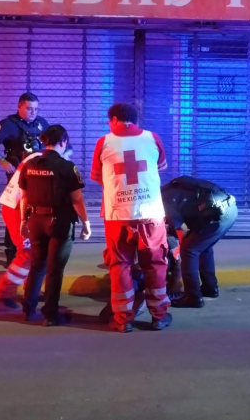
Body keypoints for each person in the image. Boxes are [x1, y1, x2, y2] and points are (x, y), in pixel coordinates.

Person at [90, 103, 172, 333]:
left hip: (118, 215)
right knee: (155, 264)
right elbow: (159, 168)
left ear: (115, 119)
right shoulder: (152, 138)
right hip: (150, 214)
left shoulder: (104, 142)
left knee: (120, 266)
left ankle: (122, 319)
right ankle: (159, 317)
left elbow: (98, 177)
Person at [18, 125, 91, 326]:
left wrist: (23, 221)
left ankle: (28, 309)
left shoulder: (29, 164)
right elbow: (77, 199)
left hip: (35, 220)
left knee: (37, 266)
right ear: (63, 141)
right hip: (59, 222)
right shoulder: (67, 167)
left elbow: (24, 197)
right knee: (54, 270)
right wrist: (86, 223)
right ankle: (51, 315)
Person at [0, 146, 73, 309]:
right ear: (61, 147)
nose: (67, 161)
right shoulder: (41, 162)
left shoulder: (38, 158)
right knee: (27, 253)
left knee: (35, 251)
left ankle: (31, 289)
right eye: (67, 157)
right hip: (17, 208)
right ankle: (3, 291)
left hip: (18, 207)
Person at [0, 92, 50, 267]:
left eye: (36, 109)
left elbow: (51, 146)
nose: (33, 112)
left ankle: (34, 253)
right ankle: (12, 255)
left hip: (39, 177)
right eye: (29, 108)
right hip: (17, 178)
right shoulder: (8, 124)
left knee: (37, 213)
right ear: (19, 106)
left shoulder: (42, 123)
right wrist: (2, 161)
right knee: (15, 214)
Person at [161, 176, 238, 308]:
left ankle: (192, 297)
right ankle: (210, 288)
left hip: (216, 215)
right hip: (230, 210)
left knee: (188, 251)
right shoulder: (174, 187)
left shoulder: (162, 200)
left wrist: (180, 251)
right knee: (204, 248)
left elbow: (183, 229)